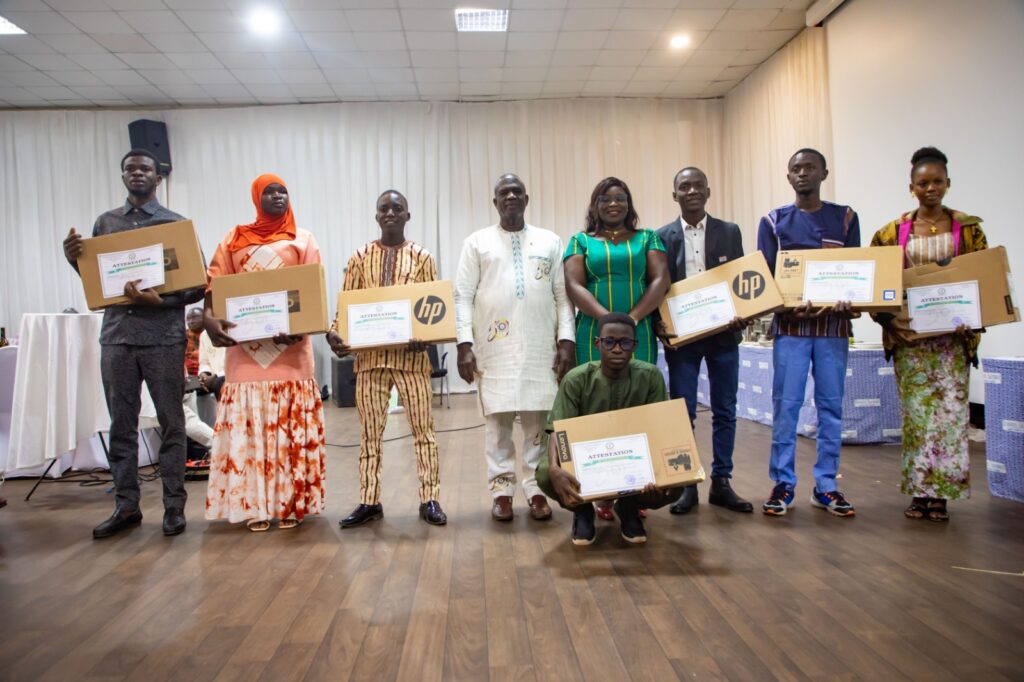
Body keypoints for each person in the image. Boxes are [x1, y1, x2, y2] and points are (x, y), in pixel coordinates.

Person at [62, 149, 203, 539]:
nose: (137, 173)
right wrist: (74, 260)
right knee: (121, 426)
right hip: (117, 339)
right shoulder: (105, 223)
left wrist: (162, 302)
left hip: (163, 339)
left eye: (145, 169)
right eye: (130, 168)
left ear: (158, 178)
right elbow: (99, 281)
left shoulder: (176, 224)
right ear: (122, 175)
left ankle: (174, 508)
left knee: (172, 424)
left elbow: (196, 286)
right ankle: (126, 507)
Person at [202, 174, 326, 532]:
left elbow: (312, 289)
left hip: (291, 351)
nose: (277, 196)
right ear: (256, 198)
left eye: (282, 190)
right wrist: (209, 321)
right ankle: (253, 505)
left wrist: (302, 325)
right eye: (269, 191)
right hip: (245, 354)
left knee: (288, 434)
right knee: (251, 434)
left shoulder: (303, 238)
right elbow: (214, 287)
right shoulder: (233, 238)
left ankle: (289, 504)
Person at [870, 147, 987, 522]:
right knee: (918, 418)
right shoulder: (890, 233)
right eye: (923, 183)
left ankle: (943, 496)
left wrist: (975, 317)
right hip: (911, 340)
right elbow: (876, 285)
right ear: (912, 187)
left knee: (950, 418)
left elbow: (985, 279)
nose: (930, 188)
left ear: (948, 183)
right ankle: (920, 493)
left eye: (937, 181)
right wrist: (889, 322)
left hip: (952, 342)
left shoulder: (970, 230)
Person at [454, 173, 576, 522]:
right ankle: (502, 491)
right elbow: (462, 296)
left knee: (539, 422)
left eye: (516, 192)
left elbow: (562, 296)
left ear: (526, 199)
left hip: (540, 347)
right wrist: (464, 345)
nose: (510, 197)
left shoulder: (550, 241)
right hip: (494, 350)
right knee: (498, 424)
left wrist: (566, 341)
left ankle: (537, 489)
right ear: (495, 202)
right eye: (504, 193)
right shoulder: (477, 243)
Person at [328, 190, 446, 528]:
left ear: (408, 215)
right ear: (376, 216)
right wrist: (335, 333)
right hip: (370, 362)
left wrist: (427, 336)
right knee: (370, 434)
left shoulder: (423, 257)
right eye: (384, 208)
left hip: (411, 362)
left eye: (397, 208)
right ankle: (369, 501)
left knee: (424, 431)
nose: (390, 213)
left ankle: (429, 498)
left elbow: (432, 307)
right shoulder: (359, 257)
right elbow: (346, 306)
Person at [756, 148, 860, 518]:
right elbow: (765, 281)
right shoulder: (773, 222)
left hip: (833, 329)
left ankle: (827, 485)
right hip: (791, 329)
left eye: (810, 167)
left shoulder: (845, 218)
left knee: (831, 407)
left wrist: (851, 299)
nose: (803, 173)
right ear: (788, 177)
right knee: (786, 407)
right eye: (796, 168)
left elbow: (856, 272)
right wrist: (786, 306)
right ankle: (783, 483)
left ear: (823, 173)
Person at [563, 176, 671, 521]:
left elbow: (660, 280)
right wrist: (609, 322)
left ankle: (634, 491)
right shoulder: (579, 241)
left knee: (638, 406)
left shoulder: (648, 238)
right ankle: (599, 492)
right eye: (605, 199)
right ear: (595, 205)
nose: (613, 204)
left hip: (637, 332)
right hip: (593, 333)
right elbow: (573, 285)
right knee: (594, 406)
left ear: (629, 203)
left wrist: (631, 320)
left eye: (620, 198)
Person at [654, 166, 753, 515]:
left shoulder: (730, 231)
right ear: (675, 195)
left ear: (708, 192)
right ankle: (687, 485)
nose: (692, 191)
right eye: (685, 186)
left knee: (725, 409)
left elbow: (740, 279)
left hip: (724, 334)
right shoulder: (660, 236)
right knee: (683, 412)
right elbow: (657, 287)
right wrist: (660, 325)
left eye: (698, 186)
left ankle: (722, 481)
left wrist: (744, 310)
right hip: (683, 339)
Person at [536, 313, 684, 545]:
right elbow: (558, 429)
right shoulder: (576, 379)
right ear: (597, 344)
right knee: (546, 473)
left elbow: (660, 430)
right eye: (609, 342)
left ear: (634, 346)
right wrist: (555, 468)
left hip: (634, 462)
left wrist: (662, 475)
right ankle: (582, 510)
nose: (617, 349)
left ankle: (629, 506)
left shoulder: (651, 376)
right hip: (589, 462)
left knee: (678, 481)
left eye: (625, 342)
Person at [197, 322, 225, 399]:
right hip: (213, 378)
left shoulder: (232, 331)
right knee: (198, 387)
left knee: (218, 383)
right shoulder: (204, 335)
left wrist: (216, 376)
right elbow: (204, 362)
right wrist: (204, 374)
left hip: (229, 376)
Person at [184, 307, 203, 377]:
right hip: (186, 374)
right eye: (188, 319)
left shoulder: (211, 335)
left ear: (205, 318)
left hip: (207, 373)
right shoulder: (182, 336)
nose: (191, 322)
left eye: (195, 318)